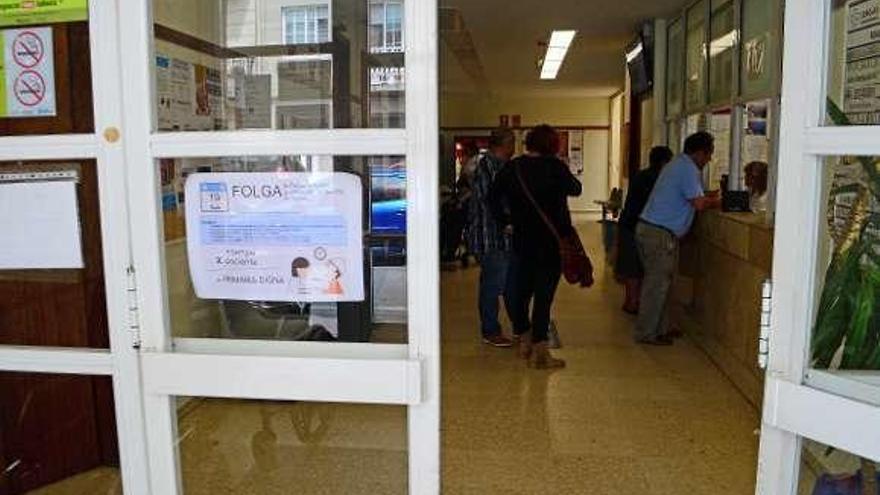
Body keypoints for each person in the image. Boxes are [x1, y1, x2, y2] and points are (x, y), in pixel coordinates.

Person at [490, 124, 582, 368]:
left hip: (523, 241)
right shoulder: (556, 168)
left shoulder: (513, 167)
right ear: (552, 146)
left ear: (529, 143)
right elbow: (577, 189)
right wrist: (561, 166)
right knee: (543, 297)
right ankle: (541, 352)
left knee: (520, 294)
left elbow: (492, 197)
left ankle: (525, 338)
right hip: (552, 244)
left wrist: (505, 222)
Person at [635, 132, 721, 345]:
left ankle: (660, 329)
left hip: (656, 232)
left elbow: (694, 196)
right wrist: (717, 201)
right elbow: (698, 203)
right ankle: (647, 333)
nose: (709, 159)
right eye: (708, 154)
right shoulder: (687, 169)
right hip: (659, 234)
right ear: (700, 152)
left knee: (665, 284)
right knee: (657, 286)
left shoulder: (678, 165)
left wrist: (707, 197)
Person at [468, 128, 517, 347]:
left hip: (501, 237)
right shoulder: (486, 167)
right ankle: (490, 330)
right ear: (504, 144)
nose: (515, 147)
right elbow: (491, 201)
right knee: (492, 284)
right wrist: (507, 221)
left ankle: (519, 325)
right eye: (513, 142)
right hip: (490, 236)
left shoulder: (502, 167)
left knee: (508, 282)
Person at [615, 146, 674, 314]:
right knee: (637, 268)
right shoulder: (658, 179)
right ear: (664, 162)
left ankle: (630, 301)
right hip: (639, 225)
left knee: (631, 266)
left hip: (628, 223)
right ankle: (634, 302)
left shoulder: (641, 175)